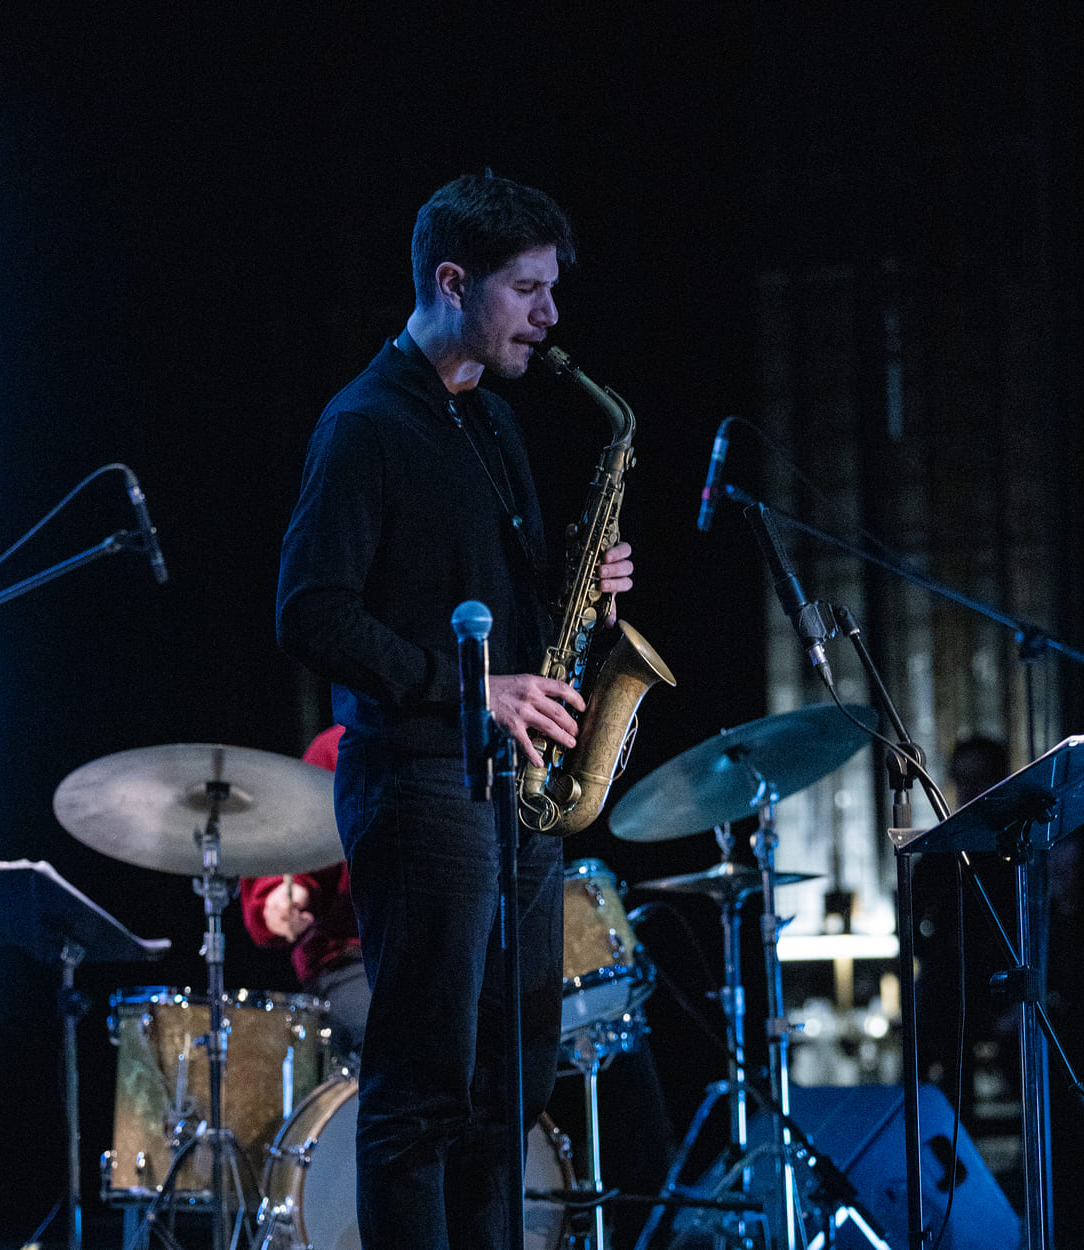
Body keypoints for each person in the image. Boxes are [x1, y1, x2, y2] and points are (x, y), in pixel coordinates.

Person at [275, 171, 635, 1249]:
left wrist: (584, 590)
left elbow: (501, 604)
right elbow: (310, 611)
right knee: (423, 1095)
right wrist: (469, 687)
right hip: (423, 782)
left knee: (508, 1092)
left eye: (550, 289)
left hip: (511, 792)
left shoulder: (489, 420)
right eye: (526, 289)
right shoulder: (364, 424)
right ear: (450, 281)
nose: (549, 315)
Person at [239, 724, 370, 1059]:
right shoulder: (338, 747)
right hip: (354, 960)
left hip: (458, 953)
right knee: (396, 1034)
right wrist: (282, 894)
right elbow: (297, 851)